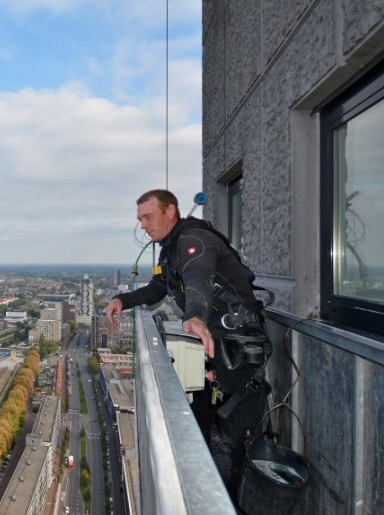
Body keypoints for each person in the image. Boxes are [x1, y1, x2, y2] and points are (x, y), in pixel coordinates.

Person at [106, 189, 271, 504]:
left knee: (235, 433)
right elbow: (159, 287)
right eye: (140, 219)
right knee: (202, 415)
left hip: (237, 350)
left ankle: (223, 501)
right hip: (221, 347)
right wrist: (123, 300)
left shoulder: (192, 240)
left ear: (170, 211)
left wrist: (195, 314)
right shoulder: (170, 250)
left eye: (148, 216)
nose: (143, 225)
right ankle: (205, 492)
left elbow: (199, 277)